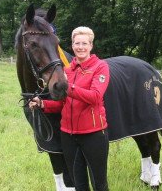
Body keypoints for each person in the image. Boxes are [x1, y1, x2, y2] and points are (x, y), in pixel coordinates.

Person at [29, 26, 110, 191]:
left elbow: (95, 97)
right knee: (77, 183)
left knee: (99, 184)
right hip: (68, 135)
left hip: (93, 134)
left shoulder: (100, 67)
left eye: (84, 43)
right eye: (77, 43)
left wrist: (68, 86)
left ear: (91, 46)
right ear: (72, 45)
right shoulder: (66, 70)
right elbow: (62, 103)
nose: (80, 47)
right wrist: (42, 104)